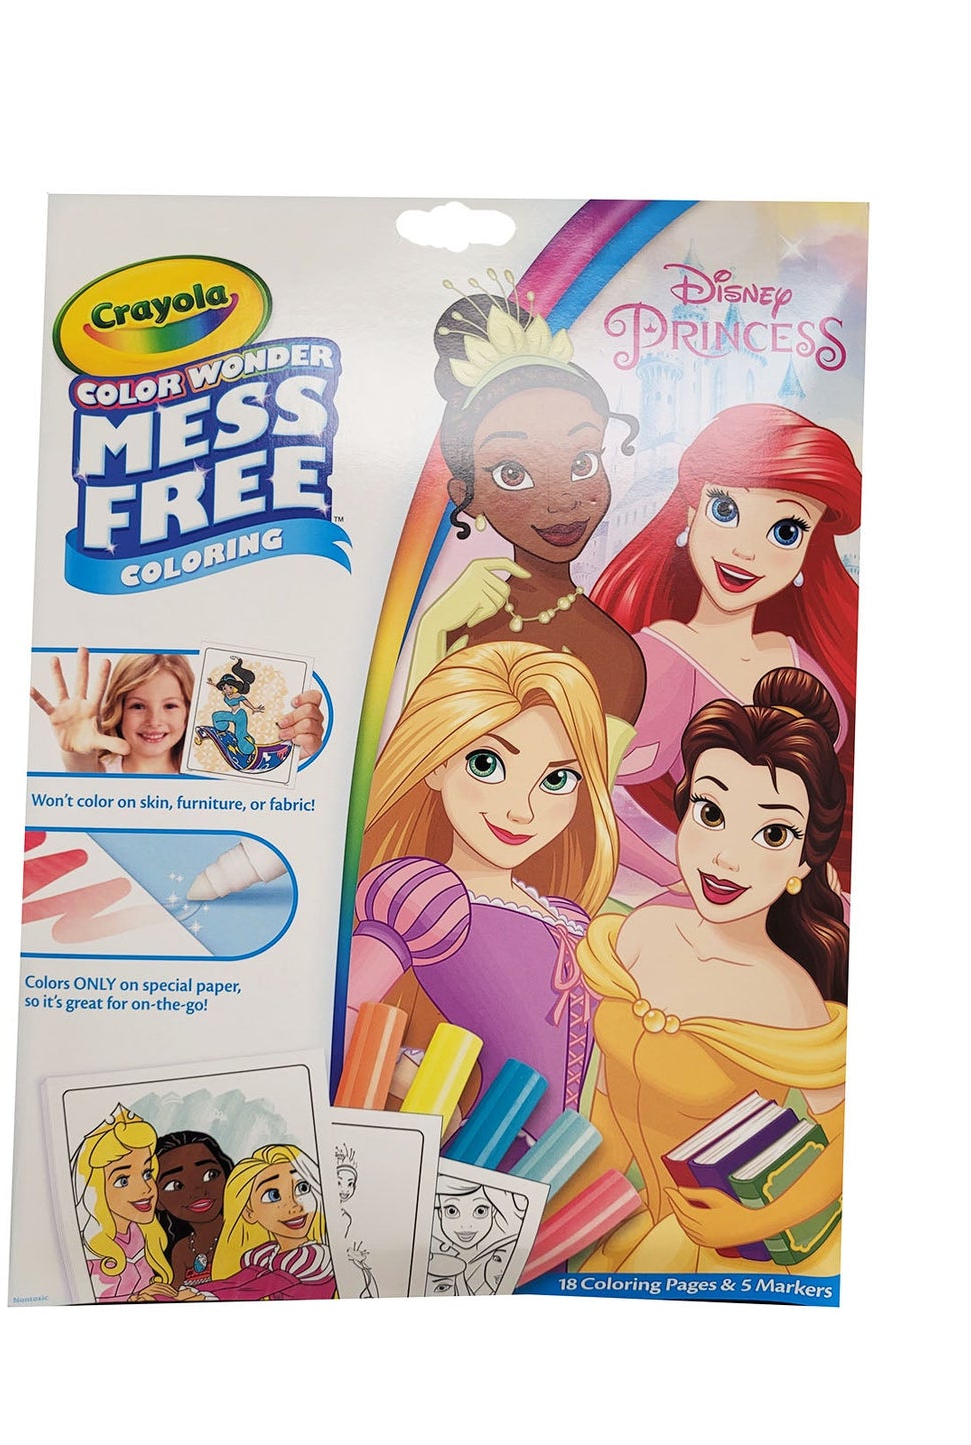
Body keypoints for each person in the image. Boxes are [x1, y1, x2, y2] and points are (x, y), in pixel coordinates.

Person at [574, 668, 848, 1275]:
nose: (727, 856)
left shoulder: (786, 993)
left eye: (771, 833)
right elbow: (607, 1114)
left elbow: (847, 1137)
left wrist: (749, 1221)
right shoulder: (642, 932)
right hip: (619, 1216)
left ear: (804, 861)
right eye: (711, 812)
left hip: (722, 1247)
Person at [347, 641, 617, 1149]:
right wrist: (426, 1093)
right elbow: (342, 1014)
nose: (521, 810)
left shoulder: (571, 919)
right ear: (436, 763)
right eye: (487, 763)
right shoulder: (425, 895)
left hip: (555, 1167)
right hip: (471, 1156)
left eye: (558, 779)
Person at [590, 403, 860, 893]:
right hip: (708, 889)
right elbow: (589, 797)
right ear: (690, 512)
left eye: (785, 531)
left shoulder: (799, 661)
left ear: (808, 549)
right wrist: (674, 876)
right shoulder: (661, 661)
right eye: (726, 511)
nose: (745, 551)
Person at [404, 282, 645, 748]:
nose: (561, 501)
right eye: (513, 473)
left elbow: (594, 797)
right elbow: (408, 769)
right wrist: (433, 630)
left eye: (582, 462)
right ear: (466, 496)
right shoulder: (457, 621)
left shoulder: (614, 656)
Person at [30, 647, 324, 773]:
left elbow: (274, 773)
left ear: (189, 709)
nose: (154, 720)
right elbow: (83, 774)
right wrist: (74, 752)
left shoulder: (213, 769)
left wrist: (303, 747)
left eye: (170, 705)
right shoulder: (102, 773)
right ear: (118, 708)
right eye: (138, 706)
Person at [72, 1105, 199, 1302]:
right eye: (123, 1180)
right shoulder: (89, 1246)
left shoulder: (143, 1232)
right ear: (94, 1188)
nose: (146, 1188)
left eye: (147, 1174)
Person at [200, 1146, 337, 1301]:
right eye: (274, 1195)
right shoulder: (266, 1253)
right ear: (249, 1212)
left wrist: (203, 1297)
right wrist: (190, 1292)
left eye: (303, 1188)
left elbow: (251, 1290)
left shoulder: (314, 1257)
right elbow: (235, 1282)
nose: (295, 1205)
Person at [152, 1131, 234, 1290]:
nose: (197, 1191)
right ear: (158, 1201)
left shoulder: (245, 1235)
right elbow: (173, 1295)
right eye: (176, 1185)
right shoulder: (181, 1250)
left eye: (210, 1175)